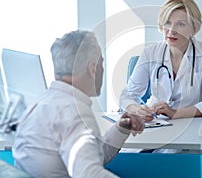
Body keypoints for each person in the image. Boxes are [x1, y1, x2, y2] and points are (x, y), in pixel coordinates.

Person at [12, 30, 145, 177]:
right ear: (92, 68)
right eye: (102, 62)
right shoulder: (73, 113)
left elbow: (89, 157)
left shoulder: (44, 102)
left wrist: (120, 129)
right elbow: (88, 173)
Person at [120, 0, 202, 120]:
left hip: (188, 122)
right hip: (155, 121)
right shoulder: (150, 53)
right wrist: (138, 110)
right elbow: (127, 96)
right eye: (167, 23)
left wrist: (175, 113)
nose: (171, 30)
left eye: (180, 24)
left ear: (194, 28)